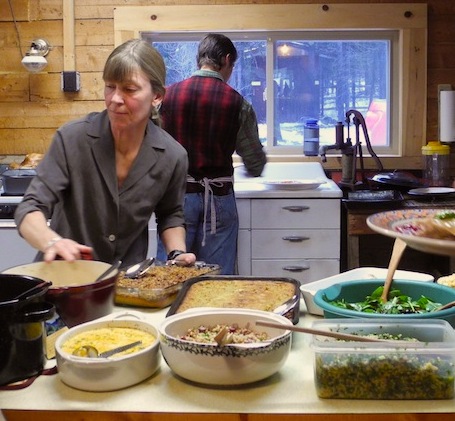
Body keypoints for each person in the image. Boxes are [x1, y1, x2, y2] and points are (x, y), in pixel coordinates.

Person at [14, 39, 196, 268]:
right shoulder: (72, 139)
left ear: (157, 96)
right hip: (65, 278)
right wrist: (51, 242)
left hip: (126, 282)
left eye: (129, 89)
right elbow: (30, 208)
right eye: (110, 86)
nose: (115, 99)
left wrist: (177, 253)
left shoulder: (173, 155)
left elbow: (171, 214)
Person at [157, 33, 267, 274]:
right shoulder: (238, 103)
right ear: (227, 60)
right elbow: (255, 163)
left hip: (177, 199)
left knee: (171, 277)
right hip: (218, 200)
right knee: (217, 279)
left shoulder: (167, 97)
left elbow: (151, 148)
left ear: (200, 59)